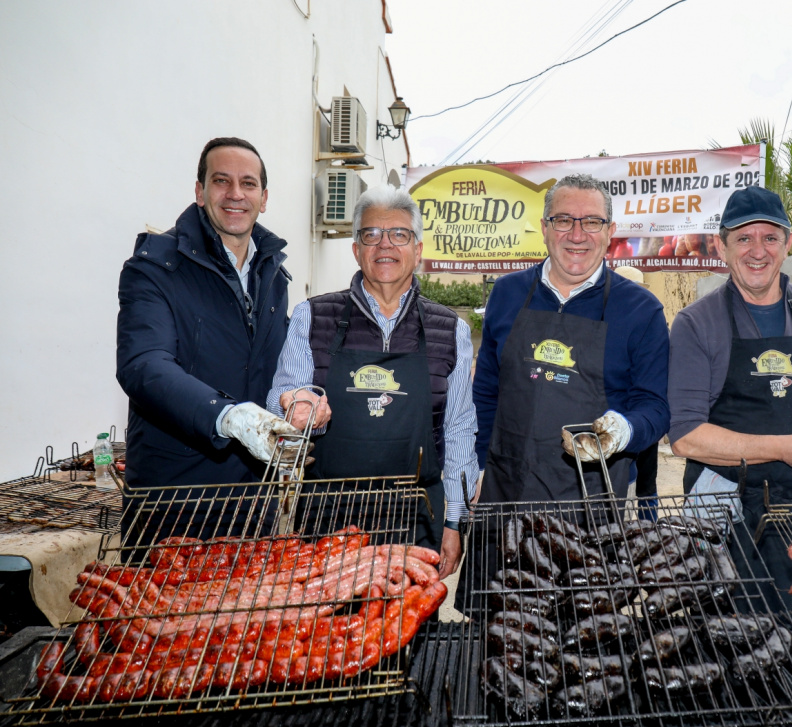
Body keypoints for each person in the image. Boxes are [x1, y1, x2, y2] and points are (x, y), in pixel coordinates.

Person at [667, 185, 792, 608]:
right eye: (743, 238)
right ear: (723, 247)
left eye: (770, 237)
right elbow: (686, 435)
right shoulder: (695, 324)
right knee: (735, 639)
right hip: (728, 510)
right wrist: (783, 448)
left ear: (788, 243)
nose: (757, 250)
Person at [267, 185, 478, 577]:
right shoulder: (312, 317)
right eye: (371, 234)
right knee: (327, 634)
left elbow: (460, 430)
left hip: (416, 517)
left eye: (399, 234)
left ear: (417, 249)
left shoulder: (451, 330)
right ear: (356, 249)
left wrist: (454, 521)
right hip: (327, 519)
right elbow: (278, 400)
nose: (385, 245)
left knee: (410, 632)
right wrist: (295, 406)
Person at [117, 137, 297, 544]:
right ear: (200, 191)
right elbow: (144, 365)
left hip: (255, 503)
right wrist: (226, 415)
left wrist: (305, 396)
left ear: (264, 198)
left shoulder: (273, 273)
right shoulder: (155, 268)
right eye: (221, 181)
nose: (236, 194)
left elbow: (282, 362)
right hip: (176, 507)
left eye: (248, 184)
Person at [473, 173, 670, 506]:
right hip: (504, 490)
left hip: (594, 501)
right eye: (563, 220)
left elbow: (656, 408)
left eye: (592, 222)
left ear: (610, 231)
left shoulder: (641, 309)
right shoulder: (507, 293)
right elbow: (486, 393)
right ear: (545, 227)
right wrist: (477, 466)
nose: (577, 235)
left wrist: (625, 430)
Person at [613, 265, 661, 520]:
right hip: (617, 420)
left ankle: (648, 531)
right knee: (632, 483)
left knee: (646, 482)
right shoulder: (607, 322)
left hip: (644, 418)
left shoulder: (650, 318)